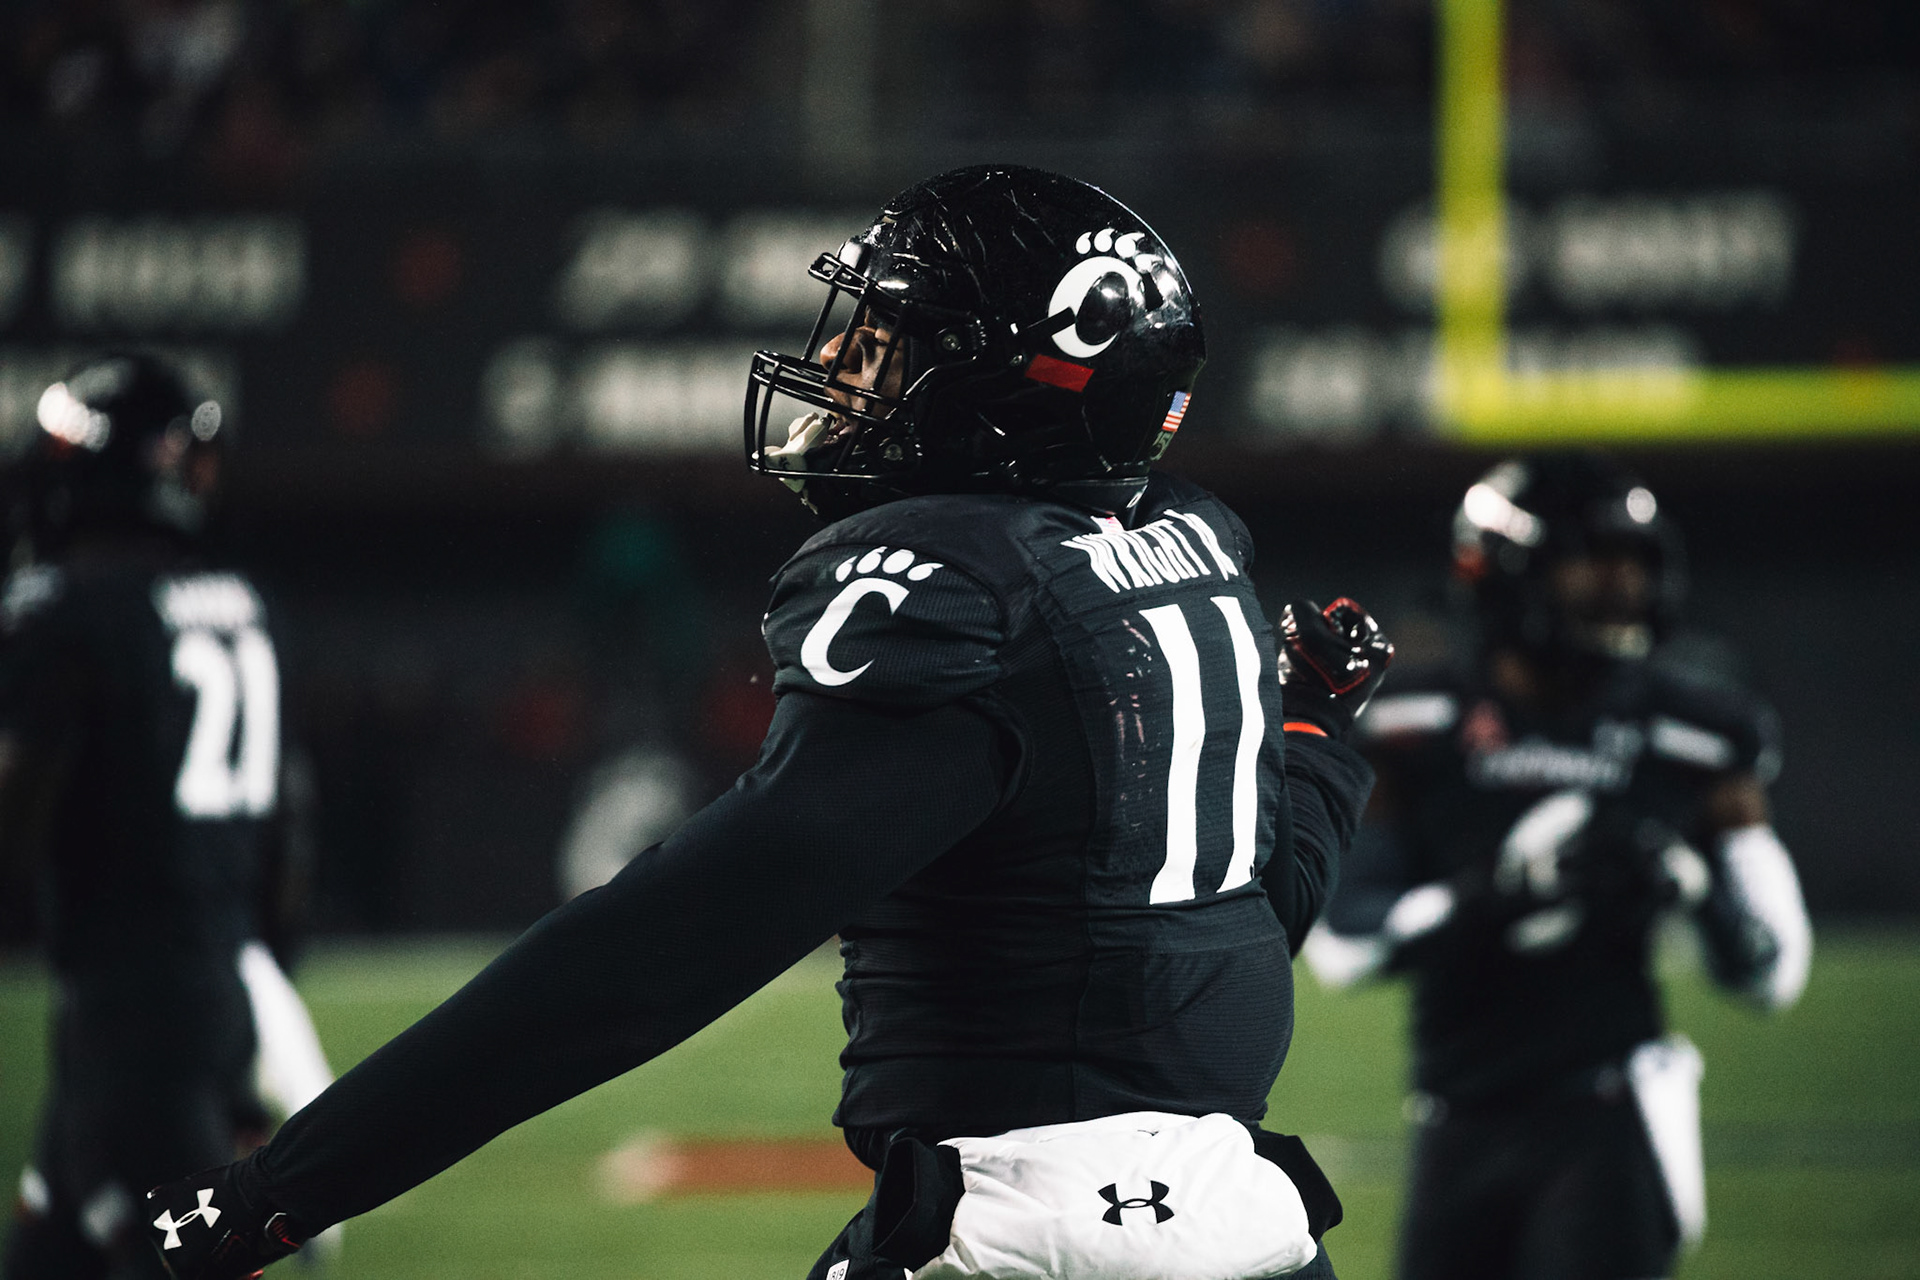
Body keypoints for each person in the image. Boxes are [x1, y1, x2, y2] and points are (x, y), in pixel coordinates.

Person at [142, 165, 1392, 1280]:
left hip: (1018, 1233)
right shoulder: (1189, 554)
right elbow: (1240, 924)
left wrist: (274, 1192)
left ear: (1017, 387)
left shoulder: (959, 590)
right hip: (1256, 1229)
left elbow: (659, 951)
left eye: (891, 340)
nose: (843, 363)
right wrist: (1317, 744)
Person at [1303, 452, 1812, 1280]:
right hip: (1455, 1114)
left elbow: (1772, 970)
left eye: (1633, 562)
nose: (1622, 585)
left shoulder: (1693, 730)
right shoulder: (1413, 724)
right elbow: (1345, 945)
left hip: (1609, 1112)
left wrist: (1686, 884)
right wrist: (1493, 895)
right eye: (1592, 561)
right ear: (1504, 571)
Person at [0, 353, 334, 1280]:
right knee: (53, 1255)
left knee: (170, 1260)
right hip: (209, 994)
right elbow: (289, 836)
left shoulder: (68, 609)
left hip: (130, 1016)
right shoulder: (246, 607)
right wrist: (254, 1009)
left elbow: (13, 821)